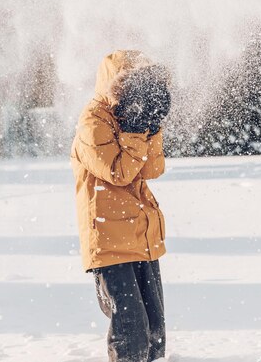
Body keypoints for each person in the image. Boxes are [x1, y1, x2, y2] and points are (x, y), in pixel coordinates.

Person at [70, 50, 172, 362]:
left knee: (154, 334)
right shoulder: (93, 122)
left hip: (141, 238)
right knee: (132, 333)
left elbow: (152, 169)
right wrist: (134, 128)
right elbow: (119, 172)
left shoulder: (129, 120)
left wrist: (150, 127)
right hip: (110, 242)